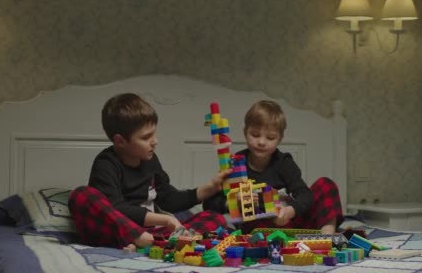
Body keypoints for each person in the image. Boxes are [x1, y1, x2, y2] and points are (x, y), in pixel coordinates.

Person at [69, 93, 231, 251]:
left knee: (214, 218)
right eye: (146, 138)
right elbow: (116, 206)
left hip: (152, 233)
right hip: (116, 232)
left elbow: (169, 199)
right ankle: (138, 239)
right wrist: (166, 220)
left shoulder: (150, 160)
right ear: (120, 141)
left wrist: (211, 187)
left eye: (154, 134)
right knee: (81, 195)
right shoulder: (106, 164)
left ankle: (153, 244)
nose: (155, 141)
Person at [203, 100, 344, 234]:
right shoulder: (234, 163)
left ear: (279, 139)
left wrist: (290, 210)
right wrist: (232, 201)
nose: (262, 142)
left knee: (325, 184)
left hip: (290, 222)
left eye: (270, 138)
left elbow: (304, 194)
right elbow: (209, 203)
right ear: (245, 133)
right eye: (255, 135)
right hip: (257, 229)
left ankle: (327, 237)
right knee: (223, 220)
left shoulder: (284, 162)